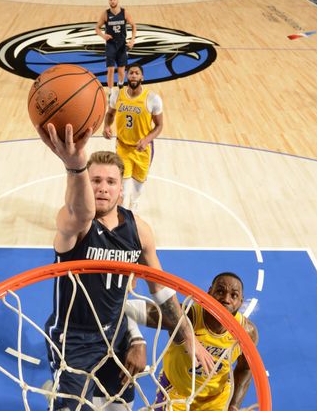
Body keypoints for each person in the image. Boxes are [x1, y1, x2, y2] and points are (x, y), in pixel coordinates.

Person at [36, 123, 214, 410]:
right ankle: (57, 389)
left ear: (121, 189)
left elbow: (163, 294)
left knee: (119, 406)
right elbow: (80, 211)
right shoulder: (75, 225)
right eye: (95, 181)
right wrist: (75, 167)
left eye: (110, 182)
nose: (102, 188)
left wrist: (186, 339)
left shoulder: (139, 231)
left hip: (115, 335)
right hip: (74, 340)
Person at [124, 272, 259, 411]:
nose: (226, 299)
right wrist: (137, 341)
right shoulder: (187, 316)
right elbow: (126, 308)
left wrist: (234, 404)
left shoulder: (247, 332)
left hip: (217, 398)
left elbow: (245, 368)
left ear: (241, 302)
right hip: (177, 392)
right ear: (209, 293)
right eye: (220, 291)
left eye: (234, 295)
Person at [102, 65, 163, 211]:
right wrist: (106, 126)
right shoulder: (117, 95)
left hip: (143, 149)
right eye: (131, 73)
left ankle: (134, 203)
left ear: (142, 77)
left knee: (138, 185)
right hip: (123, 147)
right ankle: (124, 213)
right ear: (127, 77)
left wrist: (147, 139)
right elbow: (110, 114)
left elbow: (159, 126)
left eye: (137, 73)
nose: (134, 75)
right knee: (124, 185)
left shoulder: (153, 99)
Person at [95, 0, 136, 91]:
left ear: (117, 0)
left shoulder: (124, 12)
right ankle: (110, 91)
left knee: (121, 70)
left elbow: (134, 25)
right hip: (111, 44)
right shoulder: (106, 13)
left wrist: (132, 40)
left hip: (122, 44)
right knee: (111, 69)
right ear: (109, 1)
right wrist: (103, 35)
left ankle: (120, 85)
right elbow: (97, 28)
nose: (112, 1)